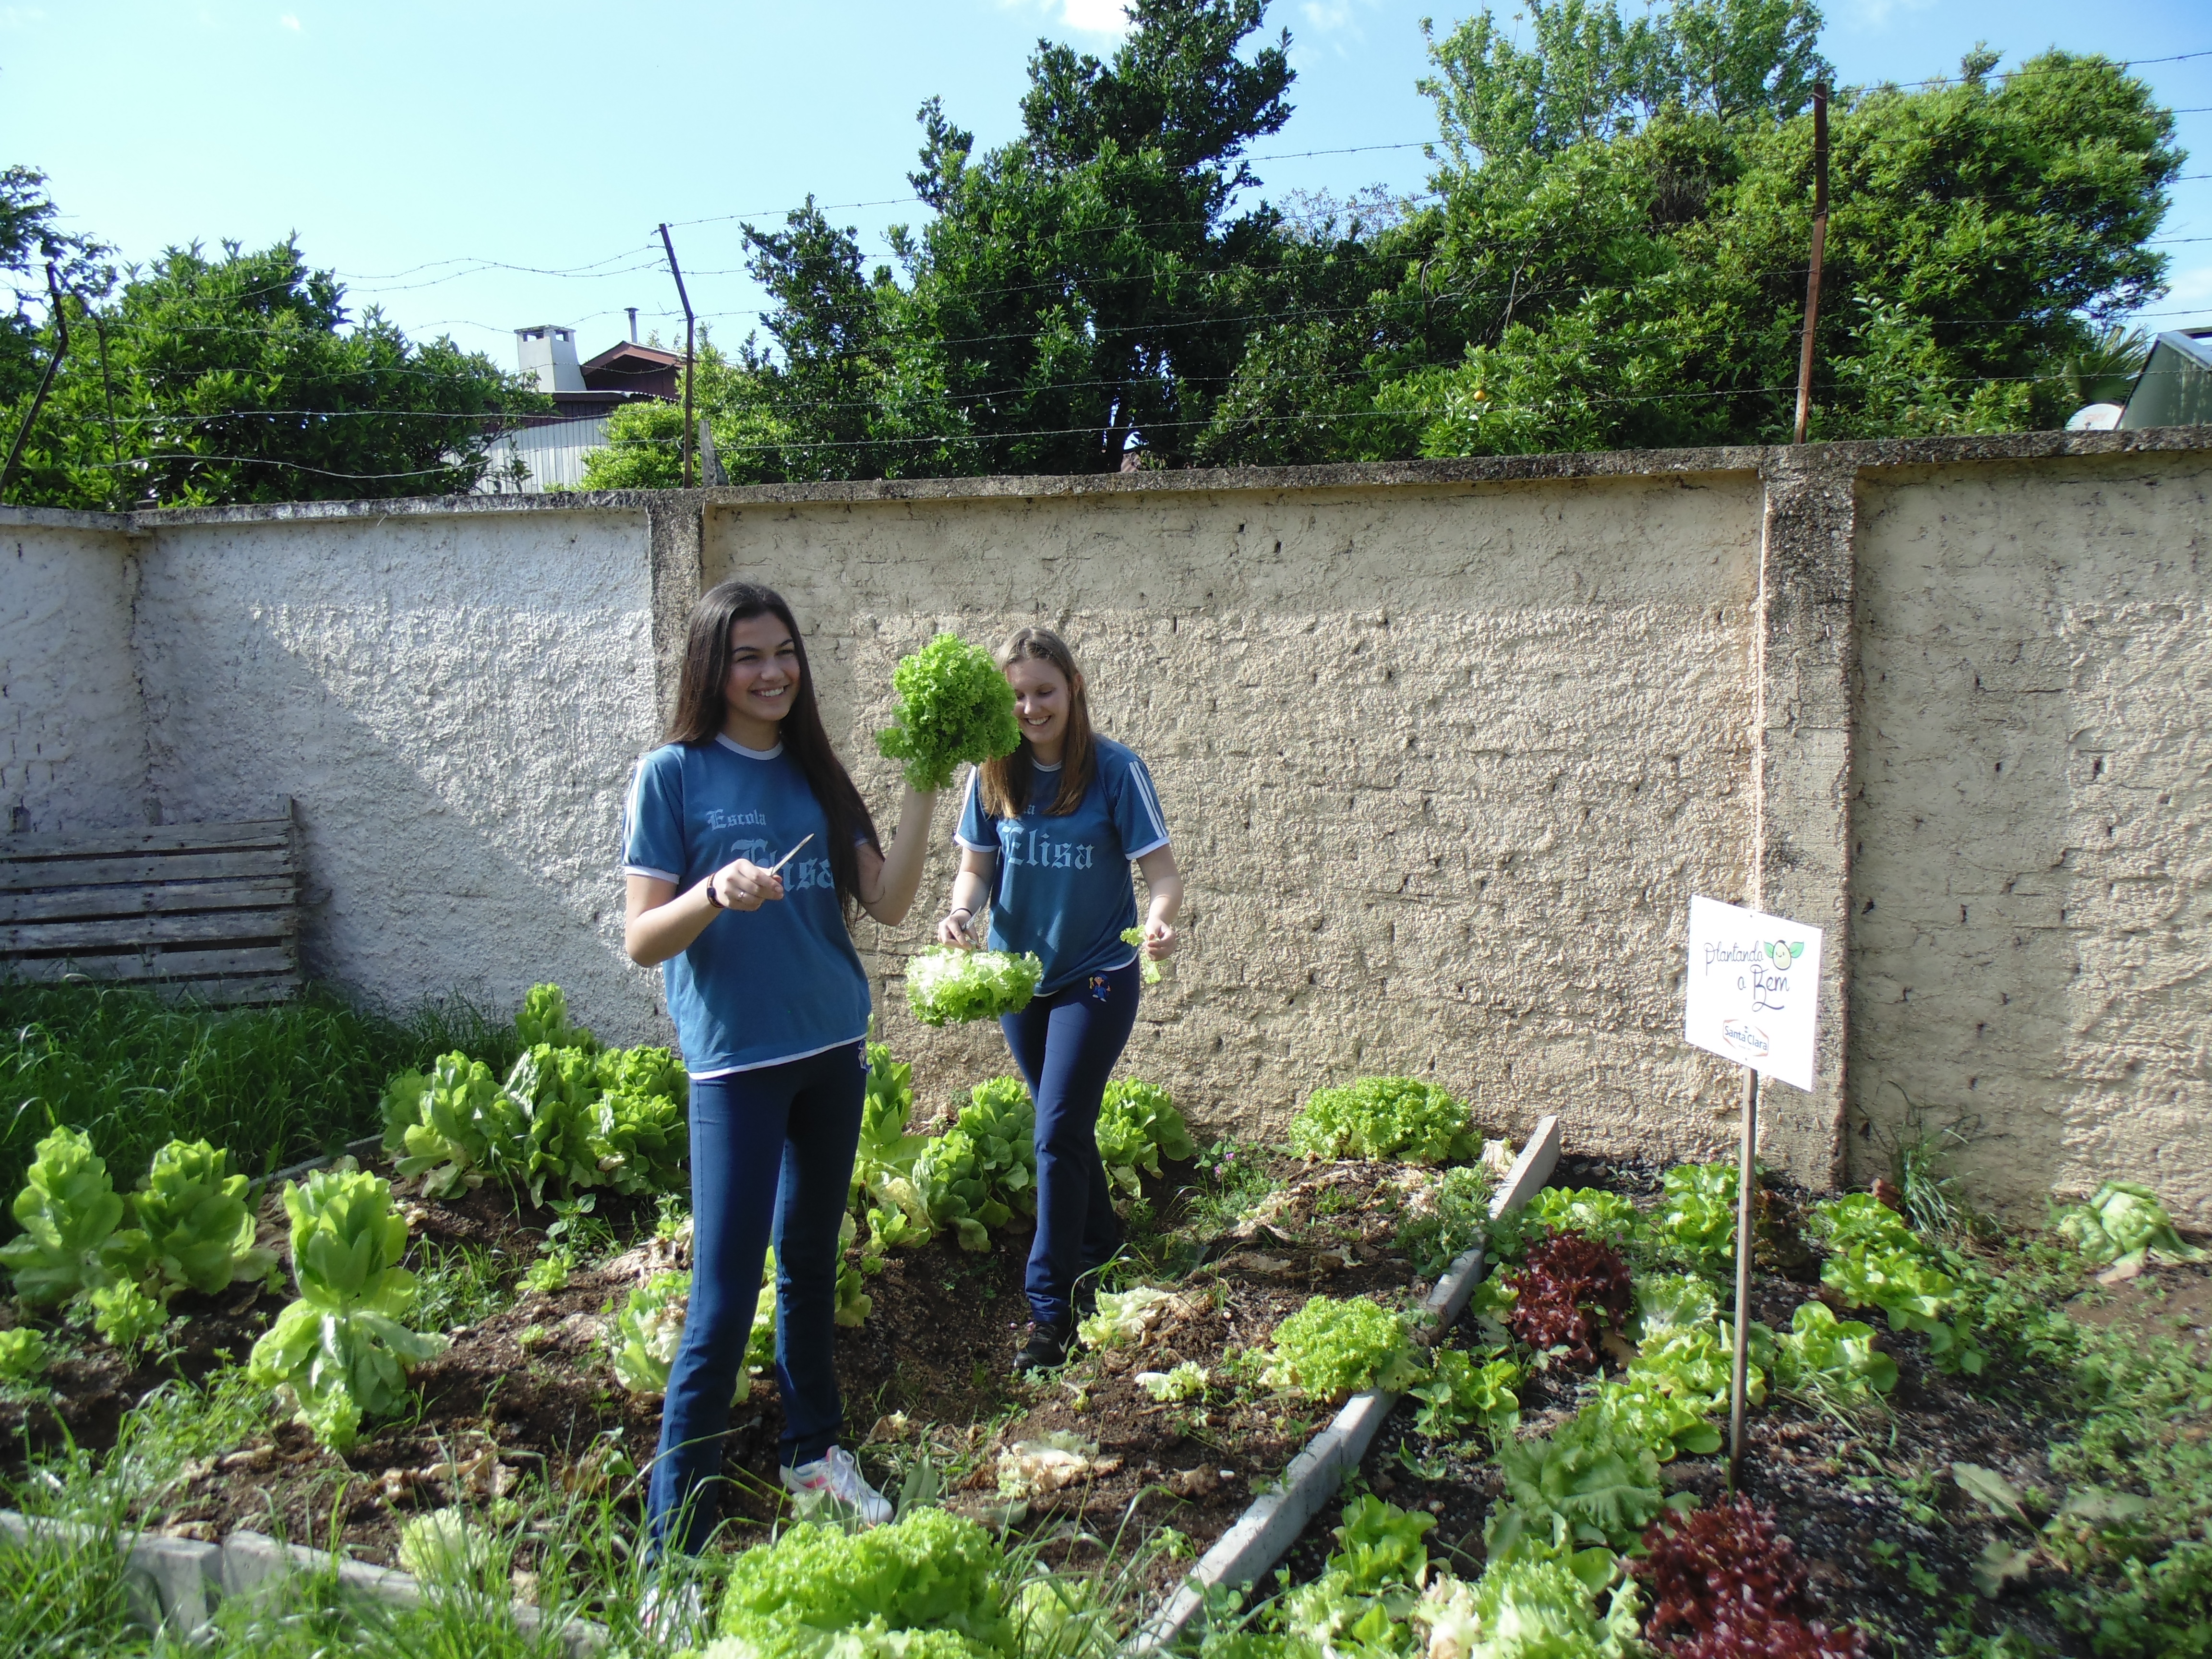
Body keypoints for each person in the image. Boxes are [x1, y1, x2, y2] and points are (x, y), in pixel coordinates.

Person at [622, 580, 936, 1552]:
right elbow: (641, 939)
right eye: (749, 656)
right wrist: (714, 891)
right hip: (737, 1068)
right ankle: (675, 1543)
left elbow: (888, 901)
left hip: (833, 1049)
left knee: (809, 1264)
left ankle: (814, 1457)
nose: (773, 672)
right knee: (720, 1303)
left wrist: (925, 784)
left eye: (785, 652)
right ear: (711, 669)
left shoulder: (817, 772)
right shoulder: (672, 776)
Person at [934, 626, 1182, 1372]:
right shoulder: (992, 773)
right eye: (1017, 696)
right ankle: (1104, 1247)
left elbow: (1163, 875)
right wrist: (961, 912)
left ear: (1073, 688)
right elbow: (976, 868)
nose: (1031, 708)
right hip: (1019, 981)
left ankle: (1052, 1312)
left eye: (1044, 691)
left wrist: (1159, 920)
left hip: (1097, 975)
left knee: (1055, 1132)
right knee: (1063, 1132)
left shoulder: (1116, 770)